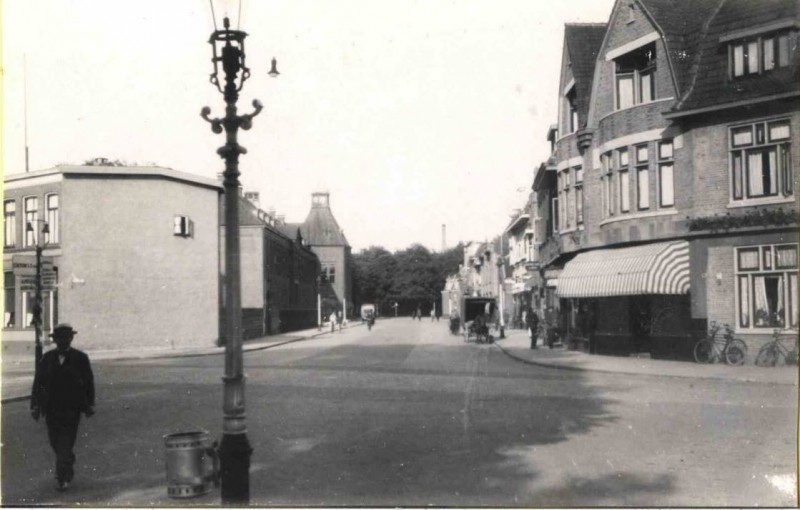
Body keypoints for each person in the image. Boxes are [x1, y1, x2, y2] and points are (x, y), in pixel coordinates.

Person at [31, 323, 95, 491]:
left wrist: (90, 404)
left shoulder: (80, 358)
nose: (62, 342)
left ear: (71, 339)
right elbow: (38, 383)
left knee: (65, 443)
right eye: (59, 339)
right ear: (55, 340)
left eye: (65, 338)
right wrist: (35, 406)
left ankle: (62, 477)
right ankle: (68, 460)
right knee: (55, 442)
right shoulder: (47, 358)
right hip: (50, 408)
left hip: (72, 409)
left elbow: (89, 383)